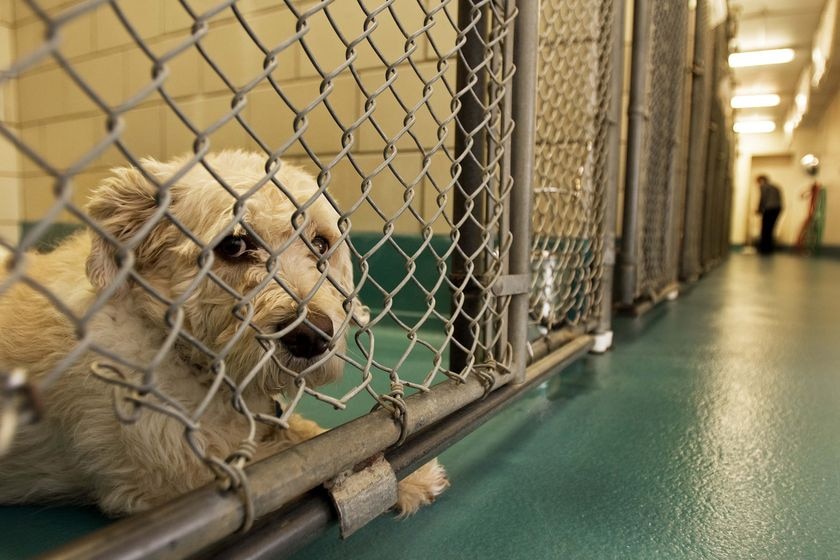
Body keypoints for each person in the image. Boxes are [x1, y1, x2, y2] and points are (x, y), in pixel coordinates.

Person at [756, 175, 783, 255]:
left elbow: (763, 198)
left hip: (769, 209)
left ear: (762, 180)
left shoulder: (763, 186)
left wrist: (759, 209)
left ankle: (764, 249)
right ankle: (769, 249)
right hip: (777, 209)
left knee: (765, 229)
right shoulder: (775, 187)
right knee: (771, 229)